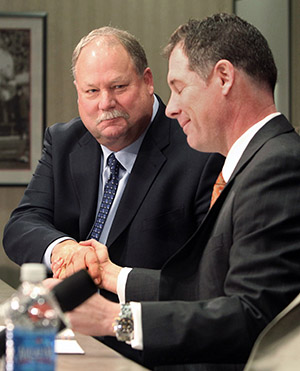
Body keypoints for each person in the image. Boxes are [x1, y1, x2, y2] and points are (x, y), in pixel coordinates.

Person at [47, 13, 300, 371]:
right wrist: (111, 274)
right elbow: (206, 288)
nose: (173, 107)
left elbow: (251, 316)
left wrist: (115, 320)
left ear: (224, 78)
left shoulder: (278, 166)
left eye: (179, 88)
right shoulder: (257, 162)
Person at [3, 28, 223, 289]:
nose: (106, 102)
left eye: (118, 87)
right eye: (92, 91)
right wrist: (64, 250)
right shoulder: (64, 141)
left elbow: (206, 277)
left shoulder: (199, 150)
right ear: (78, 92)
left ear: (148, 81)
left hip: (139, 320)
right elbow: (22, 224)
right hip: (66, 316)